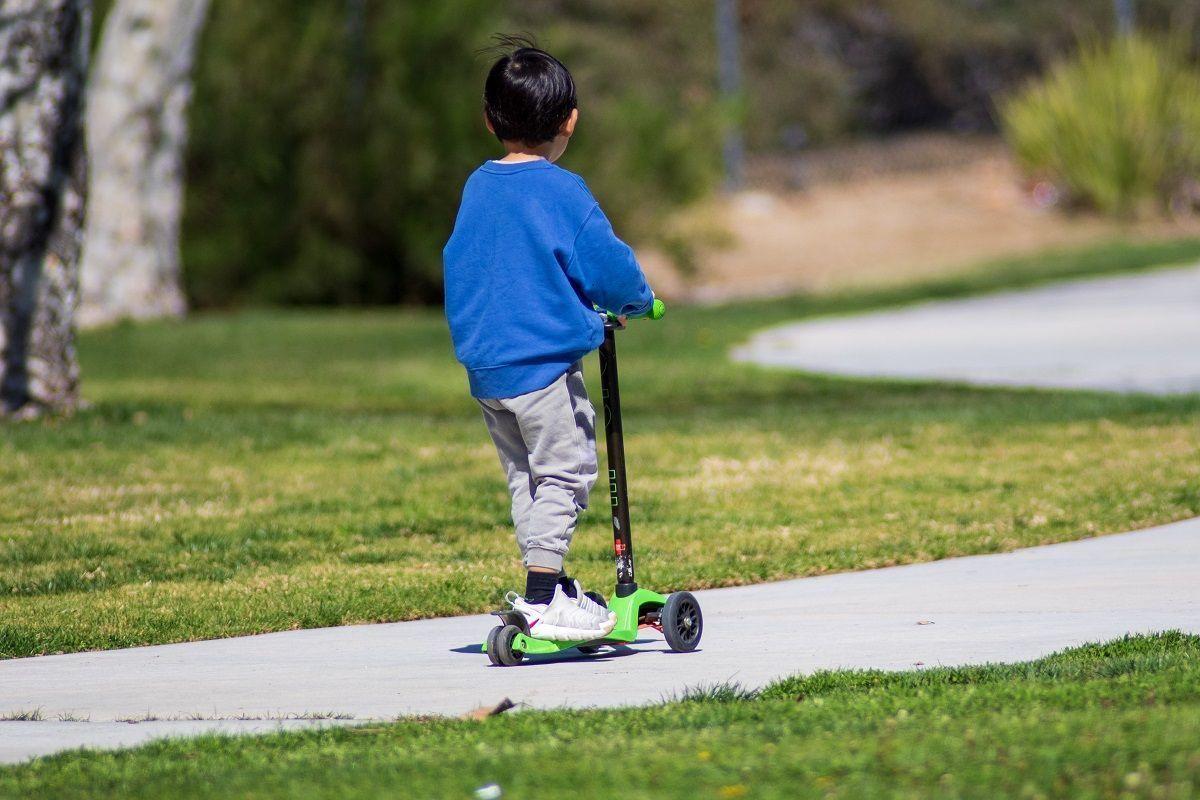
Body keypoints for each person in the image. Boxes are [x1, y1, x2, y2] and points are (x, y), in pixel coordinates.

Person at [443, 38, 654, 641]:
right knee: (565, 473)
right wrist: (640, 301)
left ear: (489, 120)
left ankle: (550, 582)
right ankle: (542, 597)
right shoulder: (563, 191)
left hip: (488, 370)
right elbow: (608, 268)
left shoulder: (478, 186)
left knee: (527, 478)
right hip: (542, 370)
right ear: (570, 121)